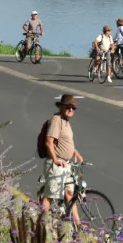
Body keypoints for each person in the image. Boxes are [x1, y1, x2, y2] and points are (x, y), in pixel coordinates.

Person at [41, 94, 84, 224]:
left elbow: (65, 141)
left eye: (73, 108)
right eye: (68, 107)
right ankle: (40, 224)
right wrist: (55, 160)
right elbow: (49, 142)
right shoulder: (56, 120)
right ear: (62, 107)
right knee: (50, 196)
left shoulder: (66, 121)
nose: (71, 110)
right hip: (57, 164)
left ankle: (78, 225)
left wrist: (75, 152)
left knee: (70, 193)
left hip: (66, 164)